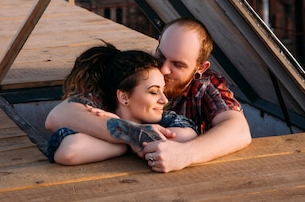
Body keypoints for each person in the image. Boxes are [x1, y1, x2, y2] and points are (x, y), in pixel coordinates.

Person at [45, 18, 251, 172]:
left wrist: (185, 155)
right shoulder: (136, 75)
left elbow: (239, 130)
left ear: (200, 67)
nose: (163, 70)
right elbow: (59, 116)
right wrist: (133, 135)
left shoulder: (206, 84)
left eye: (178, 65)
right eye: (161, 56)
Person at [46, 42, 198, 165]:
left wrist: (125, 138)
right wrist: (131, 136)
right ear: (124, 97)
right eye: (153, 92)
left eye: (163, 90)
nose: (164, 100)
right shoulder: (96, 112)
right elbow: (69, 151)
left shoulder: (164, 119)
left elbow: (188, 136)